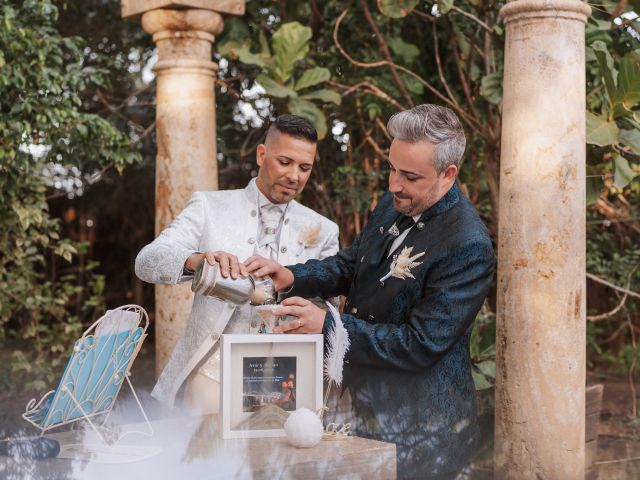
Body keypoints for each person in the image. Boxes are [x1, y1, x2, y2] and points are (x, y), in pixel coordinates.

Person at [245, 104, 495, 479]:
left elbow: (420, 343)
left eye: (409, 176)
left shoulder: (468, 245)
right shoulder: (393, 201)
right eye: (392, 168)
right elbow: (354, 264)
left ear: (448, 175)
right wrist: (291, 277)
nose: (394, 184)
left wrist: (329, 327)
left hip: (422, 431)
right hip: (362, 409)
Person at [135, 114, 339, 413]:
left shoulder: (323, 229)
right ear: (261, 154)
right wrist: (197, 260)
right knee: (208, 457)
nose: (295, 176)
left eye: (304, 167)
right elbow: (146, 262)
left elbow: (328, 307)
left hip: (287, 378)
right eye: (285, 162)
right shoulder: (209, 206)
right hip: (210, 375)